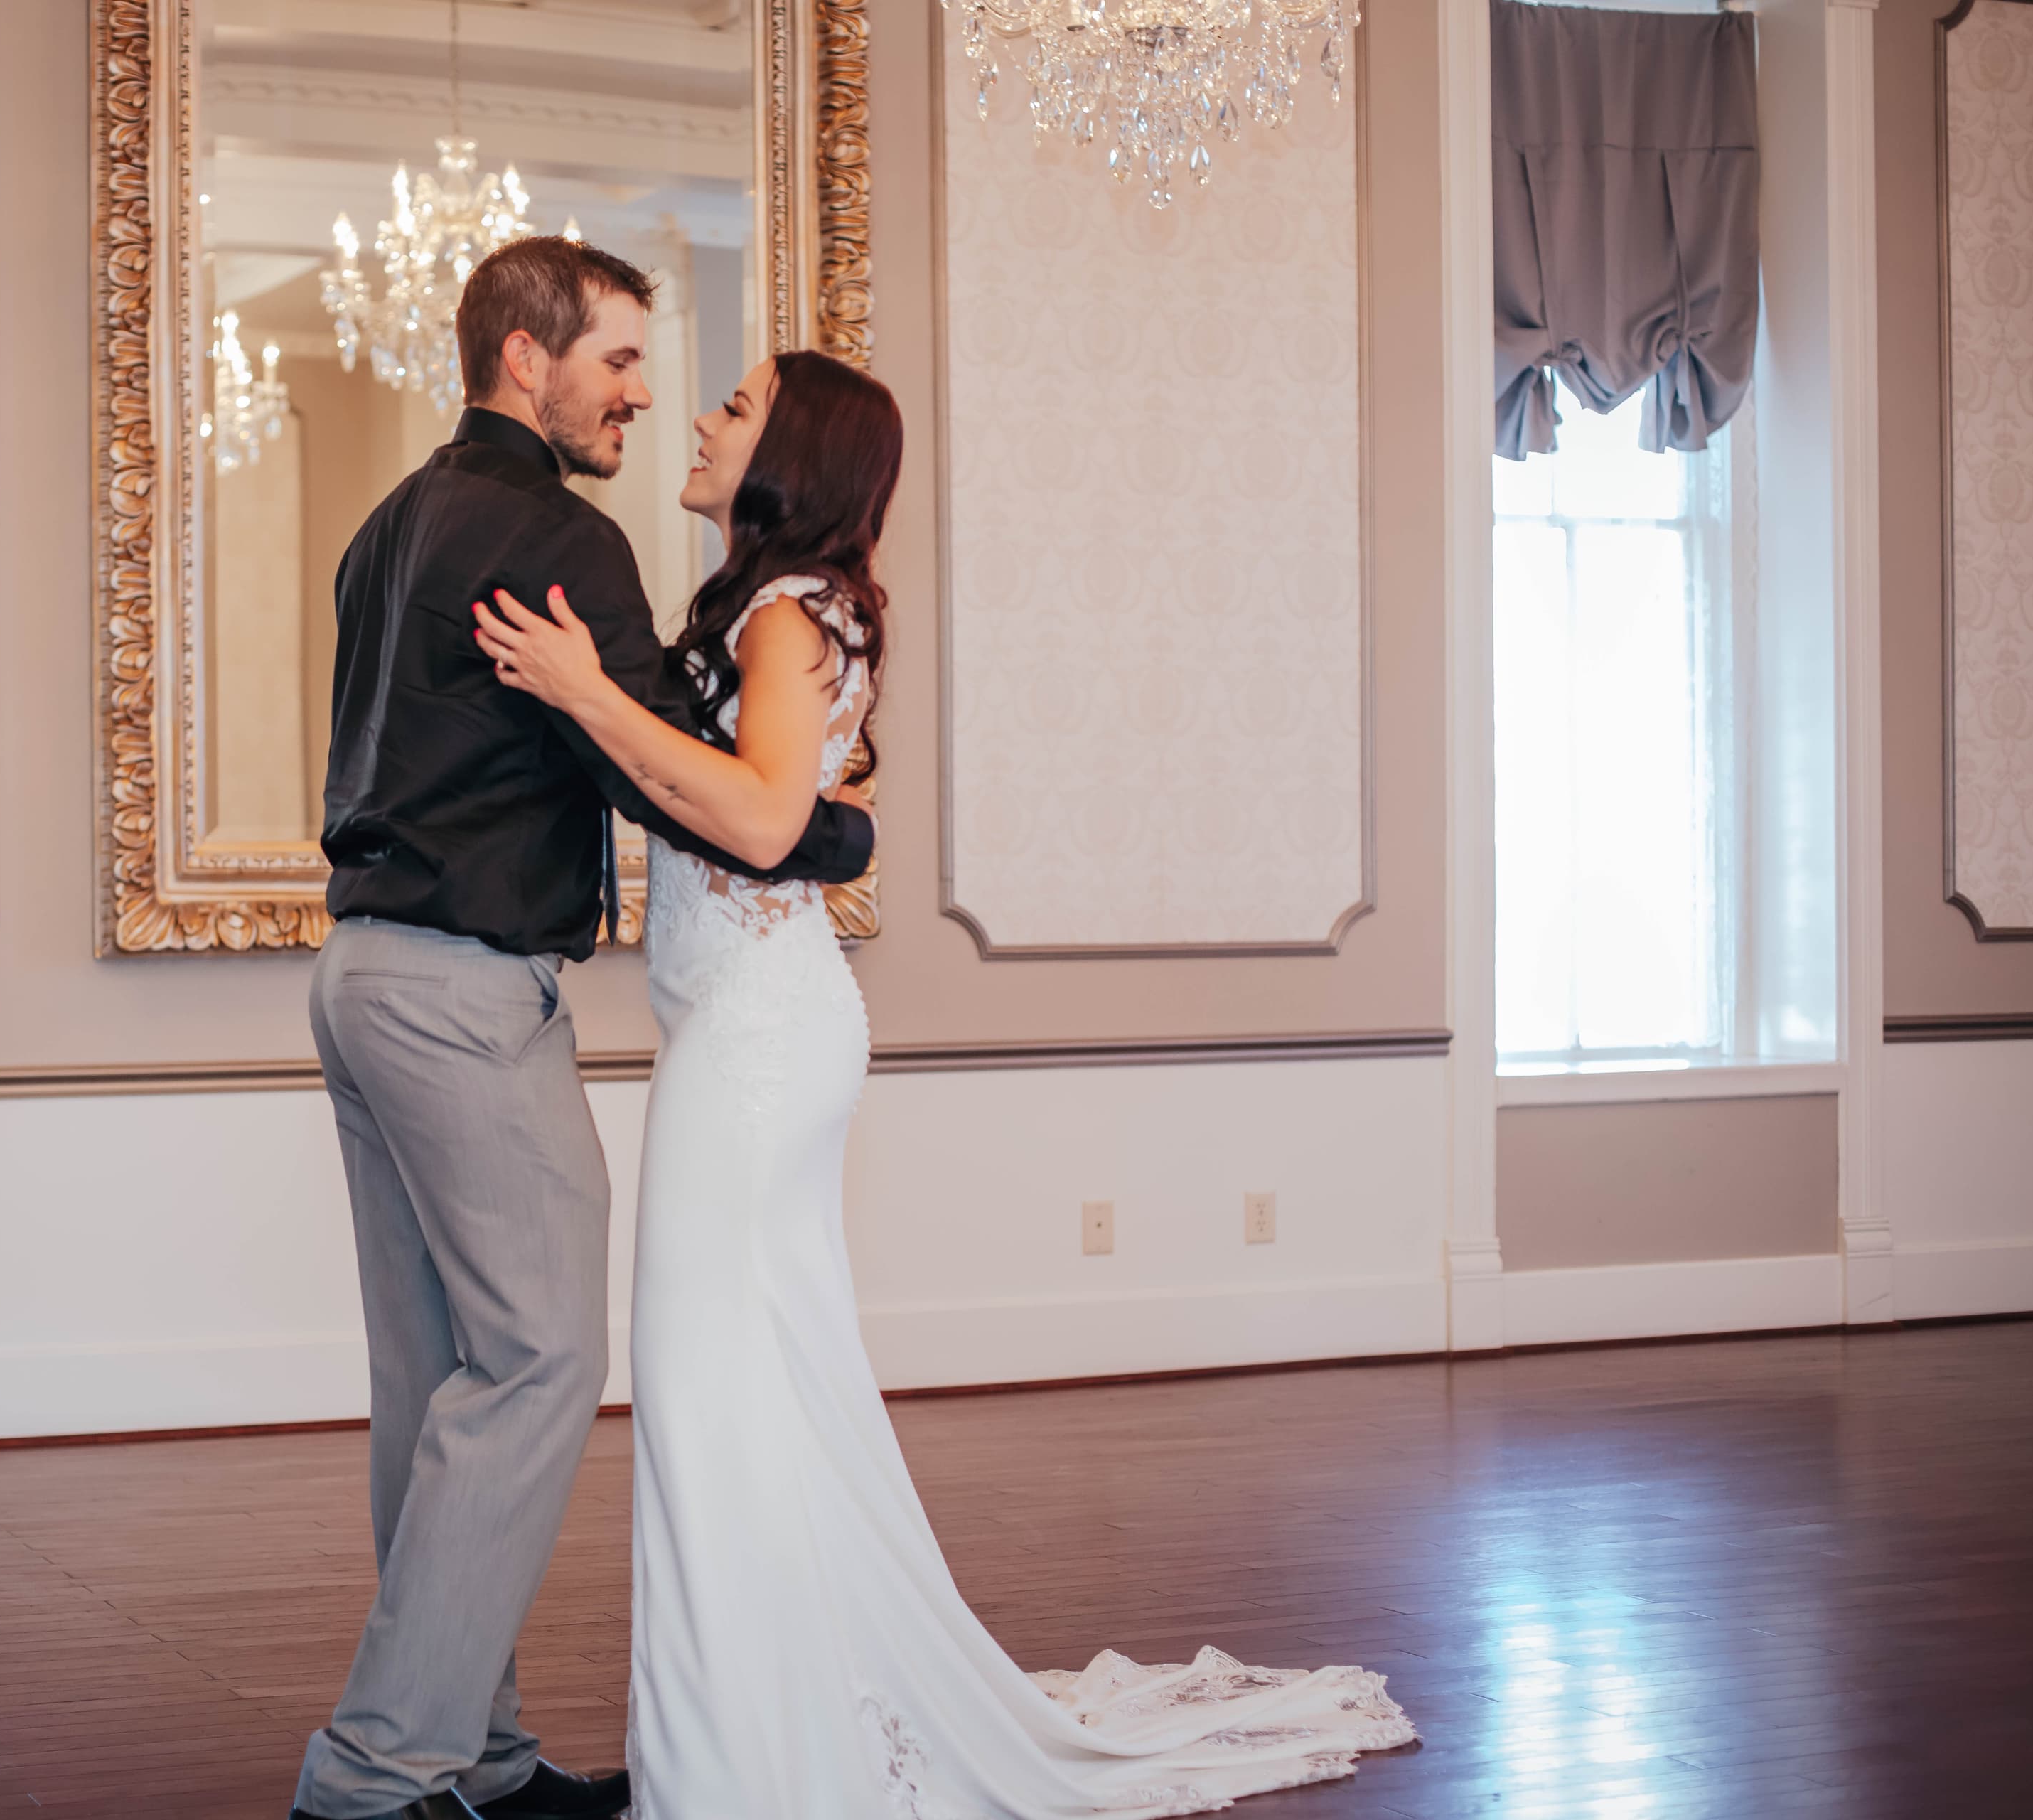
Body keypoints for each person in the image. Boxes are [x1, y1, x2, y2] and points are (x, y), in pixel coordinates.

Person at [472, 349, 1419, 1816]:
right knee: (748, 1396)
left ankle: (735, 1765)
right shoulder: (779, 611)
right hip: (749, 1030)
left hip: (760, 1042)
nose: (706, 418)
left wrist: (589, 694)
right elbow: (771, 804)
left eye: (736, 404)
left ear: (795, 451)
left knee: (714, 1398)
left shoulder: (793, 615)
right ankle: (749, 1736)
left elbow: (762, 814)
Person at [292, 237, 877, 1820]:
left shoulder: (383, 528)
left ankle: (468, 1750)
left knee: (434, 1379)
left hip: (358, 978)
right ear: (524, 359)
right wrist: (833, 835)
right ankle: (375, 1774)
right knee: (542, 1353)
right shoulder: (559, 534)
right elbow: (666, 779)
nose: (641, 392)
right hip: (466, 995)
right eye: (618, 358)